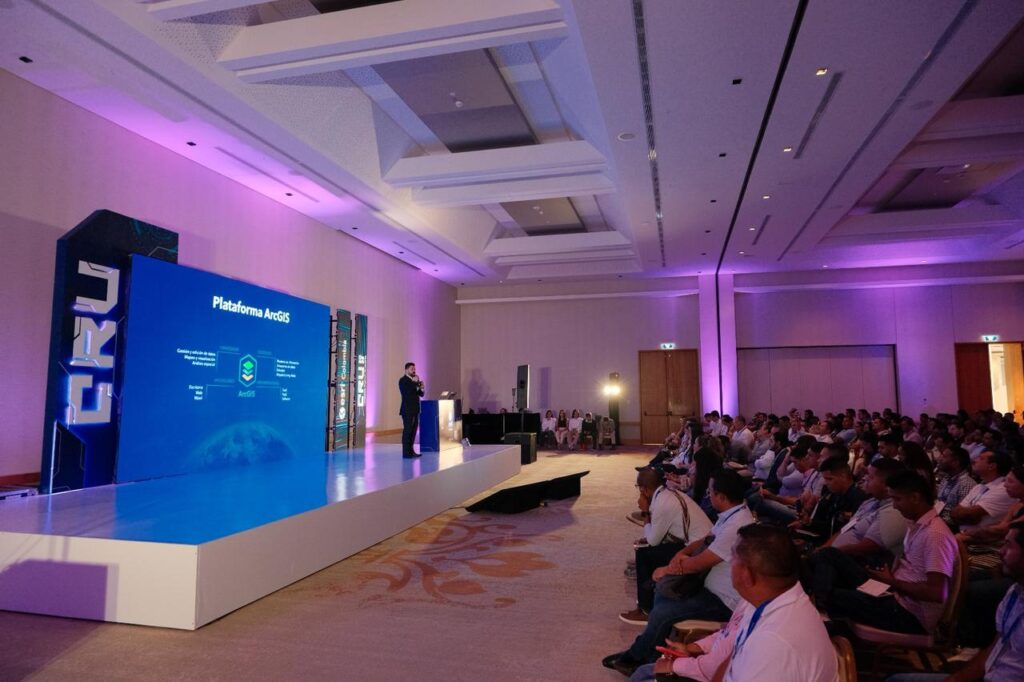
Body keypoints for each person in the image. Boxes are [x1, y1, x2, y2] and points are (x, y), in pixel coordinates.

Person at [602, 469, 754, 676]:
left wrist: (667, 569)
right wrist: (682, 553)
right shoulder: (732, 514)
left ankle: (635, 658)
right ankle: (648, 652)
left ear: (721, 497)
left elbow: (699, 563)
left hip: (723, 601)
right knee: (662, 594)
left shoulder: (736, 526)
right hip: (709, 587)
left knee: (664, 610)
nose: (708, 495)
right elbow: (705, 539)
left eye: (710, 492)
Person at [886, 520, 1024, 681]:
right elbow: (993, 650)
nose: (1000, 551)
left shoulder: (935, 533)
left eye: (1009, 546)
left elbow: (936, 593)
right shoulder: (1014, 592)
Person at [825, 470, 958, 635]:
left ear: (915, 497)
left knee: (832, 595)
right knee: (830, 556)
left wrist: (892, 582)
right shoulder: (918, 525)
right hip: (895, 594)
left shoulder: (935, 534)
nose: (894, 506)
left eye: (897, 499)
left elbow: (936, 593)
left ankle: (835, 628)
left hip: (910, 614)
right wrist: (889, 580)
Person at [721, 525, 837, 681]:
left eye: (733, 557)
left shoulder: (773, 645)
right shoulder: (769, 601)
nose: (730, 563)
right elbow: (733, 660)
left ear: (746, 575)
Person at [621, 467, 714, 624]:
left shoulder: (662, 504)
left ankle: (645, 609)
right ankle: (649, 598)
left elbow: (652, 541)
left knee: (644, 554)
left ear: (644, 490)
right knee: (648, 549)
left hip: (698, 549)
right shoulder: (667, 494)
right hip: (699, 543)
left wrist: (645, 512)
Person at [398, 362, 424, 458]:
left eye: (414, 369)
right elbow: (407, 393)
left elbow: (421, 394)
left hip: (415, 410)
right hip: (407, 410)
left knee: (413, 431)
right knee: (408, 431)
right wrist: (415, 383)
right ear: (406, 370)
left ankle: (411, 451)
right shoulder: (403, 380)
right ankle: (406, 453)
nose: (414, 370)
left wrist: (421, 388)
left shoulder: (415, 381)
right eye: (412, 369)